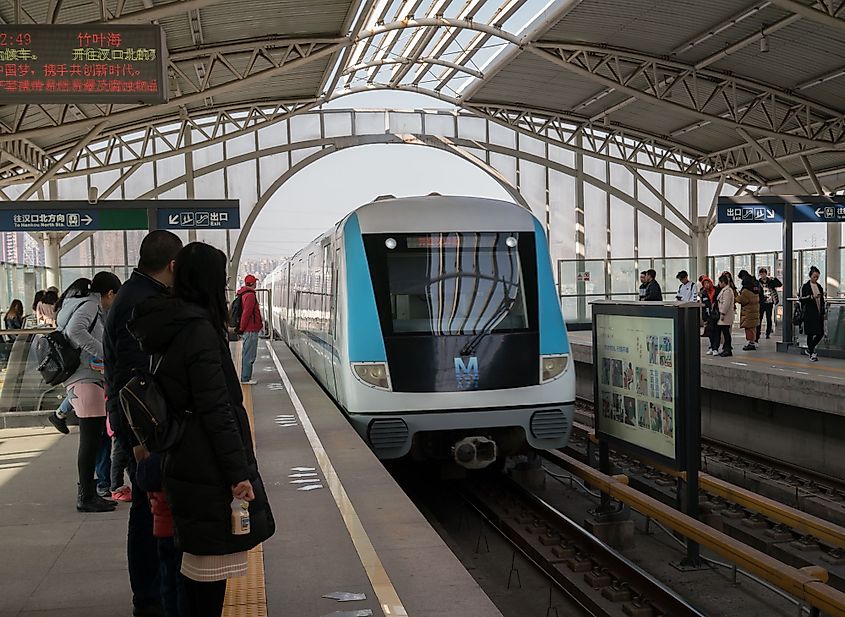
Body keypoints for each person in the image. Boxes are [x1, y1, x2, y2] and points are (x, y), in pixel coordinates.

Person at [129, 242, 275, 617]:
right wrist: (238, 474)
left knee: (194, 577)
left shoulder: (171, 325)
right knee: (207, 580)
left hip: (184, 459)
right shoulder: (199, 332)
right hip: (205, 465)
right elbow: (217, 410)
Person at [104, 230, 183, 617]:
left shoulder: (129, 295)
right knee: (147, 511)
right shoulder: (143, 303)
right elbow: (135, 379)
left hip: (135, 426)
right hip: (142, 431)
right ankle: (149, 599)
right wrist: (139, 440)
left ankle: (152, 596)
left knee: (147, 509)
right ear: (172, 265)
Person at [55, 273, 122, 512]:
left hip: (84, 379)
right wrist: (106, 352)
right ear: (110, 294)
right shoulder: (91, 305)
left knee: (91, 441)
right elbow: (75, 332)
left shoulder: (78, 303)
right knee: (90, 441)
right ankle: (86, 495)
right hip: (86, 378)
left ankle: (89, 492)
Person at [236, 274, 263, 385]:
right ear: (252, 283)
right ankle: (246, 378)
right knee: (249, 354)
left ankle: (246, 377)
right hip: (250, 329)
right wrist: (242, 328)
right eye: (255, 282)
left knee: (248, 353)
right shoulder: (250, 296)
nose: (256, 283)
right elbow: (247, 313)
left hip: (249, 329)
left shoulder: (243, 294)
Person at [800, 266, 825, 362]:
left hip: (818, 313)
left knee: (820, 333)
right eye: (814, 276)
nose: (816, 279)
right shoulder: (805, 286)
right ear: (810, 276)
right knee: (810, 333)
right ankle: (811, 353)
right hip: (809, 314)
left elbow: (822, 300)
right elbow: (801, 299)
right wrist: (811, 297)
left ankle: (810, 348)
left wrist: (823, 311)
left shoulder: (819, 287)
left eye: (817, 277)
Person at [736, 270, 761, 351]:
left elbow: (742, 300)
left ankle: (751, 343)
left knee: (749, 327)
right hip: (754, 310)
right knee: (753, 327)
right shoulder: (755, 287)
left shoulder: (746, 291)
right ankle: (753, 342)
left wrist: (736, 297)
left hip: (748, 311)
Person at [756, 267, 782, 341]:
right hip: (761, 302)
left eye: (764, 274)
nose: (763, 275)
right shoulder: (758, 282)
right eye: (761, 274)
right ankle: (758, 333)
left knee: (769, 318)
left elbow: (779, 284)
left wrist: (774, 278)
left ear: (766, 274)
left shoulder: (770, 281)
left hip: (769, 302)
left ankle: (768, 333)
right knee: (760, 318)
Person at [700, 276, 721, 355]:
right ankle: (712, 347)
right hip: (708, 315)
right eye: (704, 284)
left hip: (716, 314)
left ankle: (715, 348)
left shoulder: (716, 291)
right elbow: (703, 306)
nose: (706, 285)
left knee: (716, 331)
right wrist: (704, 318)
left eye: (707, 283)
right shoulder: (704, 293)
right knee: (710, 332)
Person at [716, 273, 736, 357]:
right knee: (725, 332)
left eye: (720, 282)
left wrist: (722, 313)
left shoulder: (727, 291)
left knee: (726, 333)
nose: (719, 284)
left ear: (723, 282)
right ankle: (726, 348)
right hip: (725, 315)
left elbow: (726, 304)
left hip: (725, 315)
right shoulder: (726, 290)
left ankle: (727, 349)